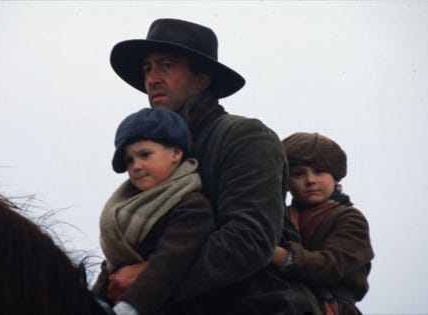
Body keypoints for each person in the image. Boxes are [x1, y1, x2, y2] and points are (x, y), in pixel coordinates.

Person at [103, 18, 321, 314]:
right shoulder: (149, 155)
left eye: (166, 66)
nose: (151, 78)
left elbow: (249, 238)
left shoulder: (245, 136)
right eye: (147, 68)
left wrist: (149, 281)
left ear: (202, 78)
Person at [93, 107, 215, 315]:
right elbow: (113, 267)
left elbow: (169, 264)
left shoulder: (192, 206)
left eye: (144, 154)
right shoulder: (124, 209)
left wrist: (128, 308)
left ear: (176, 153)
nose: (136, 166)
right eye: (129, 160)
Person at [271, 132, 374, 315]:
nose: (310, 180)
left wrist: (284, 256)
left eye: (319, 171)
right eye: (298, 174)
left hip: (336, 308)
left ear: (336, 177)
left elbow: (332, 265)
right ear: (286, 182)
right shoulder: (281, 217)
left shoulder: (350, 219)